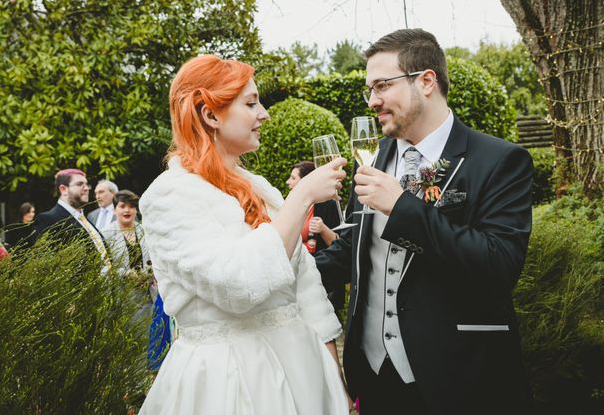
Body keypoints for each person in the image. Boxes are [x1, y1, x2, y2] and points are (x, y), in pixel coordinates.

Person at [315, 28, 534, 414]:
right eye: (369, 89)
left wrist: (402, 208)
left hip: (462, 376)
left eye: (382, 85)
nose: (372, 101)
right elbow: (358, 245)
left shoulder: (499, 161)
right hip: (374, 375)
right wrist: (289, 273)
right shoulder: (375, 156)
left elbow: (499, 265)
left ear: (427, 80)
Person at [138, 54, 350, 414]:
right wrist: (302, 197)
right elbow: (238, 286)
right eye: (251, 103)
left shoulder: (260, 187)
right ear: (210, 114)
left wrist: (335, 381)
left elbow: (307, 291)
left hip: (305, 372)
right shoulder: (169, 196)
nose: (264, 113)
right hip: (230, 380)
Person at [102, 190, 169, 372]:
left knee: (147, 338)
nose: (127, 210)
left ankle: (144, 381)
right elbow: (104, 268)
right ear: (115, 209)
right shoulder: (107, 234)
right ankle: (131, 385)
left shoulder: (142, 229)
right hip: (124, 296)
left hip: (148, 294)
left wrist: (151, 273)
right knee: (128, 341)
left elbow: (156, 257)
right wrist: (126, 274)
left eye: (131, 206)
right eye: (122, 206)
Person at [286, 161, 345, 317]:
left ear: (305, 181)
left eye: (292, 178)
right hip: (298, 277)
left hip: (322, 280)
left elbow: (340, 245)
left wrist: (323, 228)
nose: (288, 182)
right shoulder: (293, 204)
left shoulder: (328, 205)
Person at [28, 169, 108, 262]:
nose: (86, 188)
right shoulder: (48, 220)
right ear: (63, 189)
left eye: (86, 184)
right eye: (79, 184)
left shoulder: (84, 220)